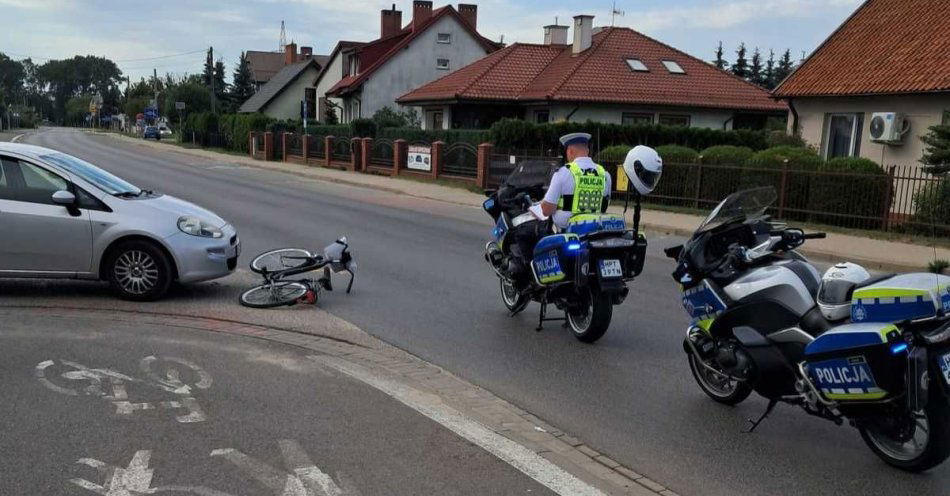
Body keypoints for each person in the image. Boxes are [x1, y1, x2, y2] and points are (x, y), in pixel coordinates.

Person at [540, 133, 611, 229]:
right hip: (594, 229)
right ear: (588, 151)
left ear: (570, 151)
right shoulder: (604, 174)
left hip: (568, 232)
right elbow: (604, 205)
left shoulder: (563, 172)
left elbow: (547, 210)